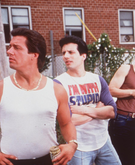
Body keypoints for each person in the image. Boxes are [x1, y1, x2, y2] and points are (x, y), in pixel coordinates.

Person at [0, 28, 77, 165]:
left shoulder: (56, 89)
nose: (9, 51)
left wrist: (72, 144)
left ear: (34, 55)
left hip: (49, 160)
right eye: (10, 46)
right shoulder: (2, 88)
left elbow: (66, 123)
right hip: (11, 162)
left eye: (16, 48)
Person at [55, 35, 121, 165]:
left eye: (71, 52)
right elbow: (67, 120)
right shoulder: (59, 83)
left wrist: (84, 110)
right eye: (64, 53)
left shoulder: (97, 79)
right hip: (78, 145)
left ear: (83, 56)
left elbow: (112, 112)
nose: (66, 56)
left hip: (103, 141)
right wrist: (97, 110)